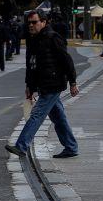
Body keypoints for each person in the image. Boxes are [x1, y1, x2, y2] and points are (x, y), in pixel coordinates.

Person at [6, 9, 79, 159]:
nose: (31, 25)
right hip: (43, 84)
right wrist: (29, 86)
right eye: (29, 23)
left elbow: (67, 61)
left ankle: (21, 146)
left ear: (44, 22)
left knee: (37, 114)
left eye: (34, 22)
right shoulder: (33, 40)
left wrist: (73, 82)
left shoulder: (53, 38)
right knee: (58, 117)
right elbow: (31, 66)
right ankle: (71, 147)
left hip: (53, 84)